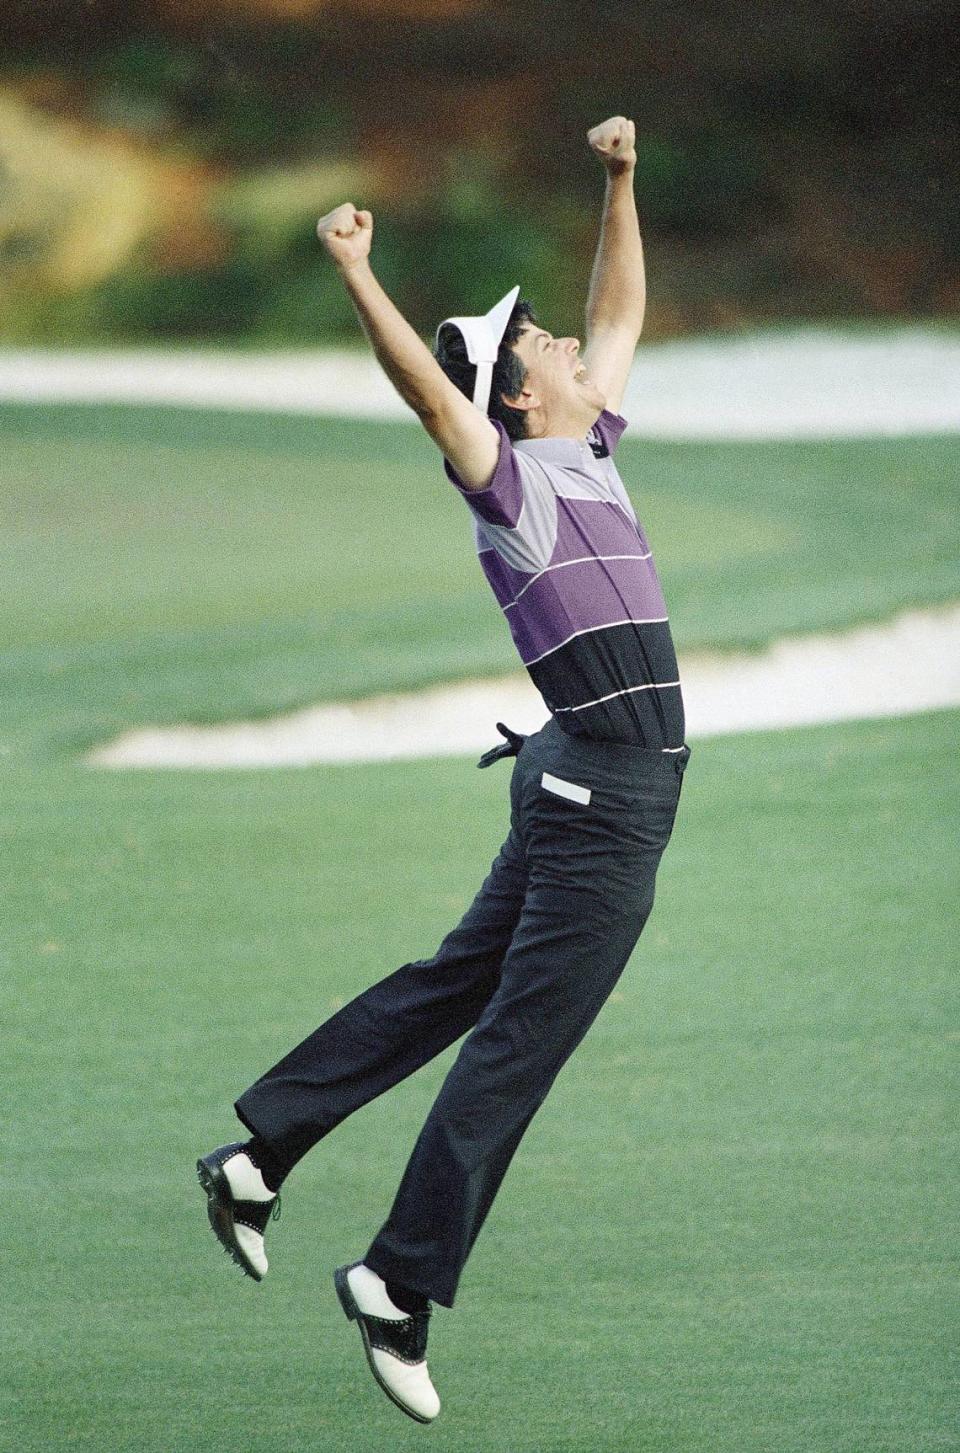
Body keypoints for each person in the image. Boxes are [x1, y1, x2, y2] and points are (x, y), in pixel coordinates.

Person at [197, 115, 689, 1426]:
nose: (567, 340)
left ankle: (260, 1158)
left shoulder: (586, 447)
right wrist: (362, 274)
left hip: (571, 777)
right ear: (519, 397)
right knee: (514, 1043)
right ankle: (397, 1281)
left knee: (451, 991)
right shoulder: (513, 479)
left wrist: (621, 180)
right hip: (607, 801)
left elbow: (621, 306)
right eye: (539, 343)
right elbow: (431, 395)